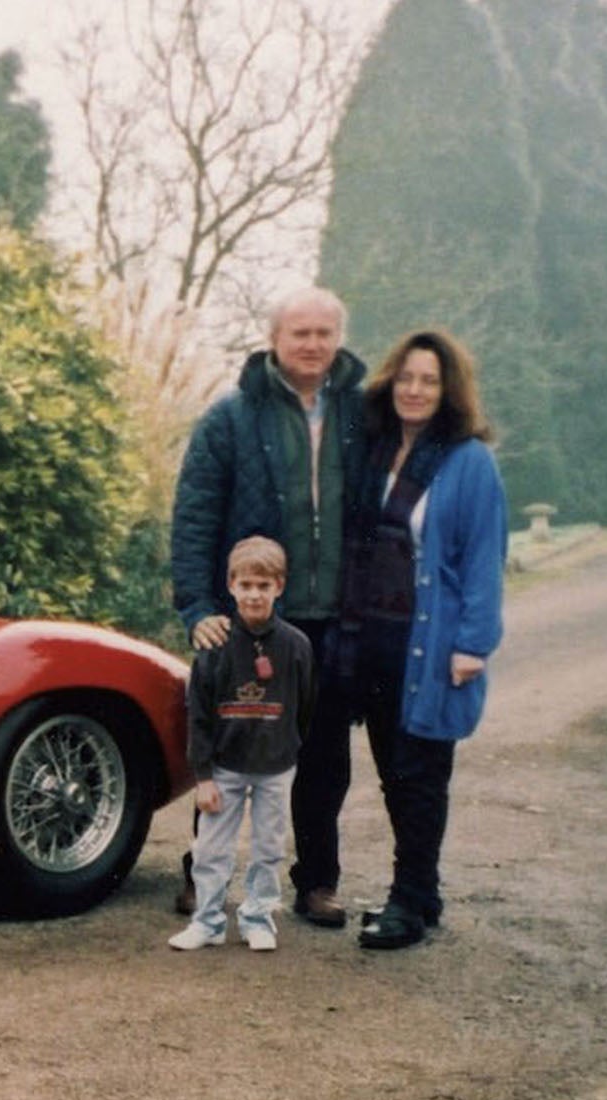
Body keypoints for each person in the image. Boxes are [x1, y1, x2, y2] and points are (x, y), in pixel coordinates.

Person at [170, 287, 366, 929]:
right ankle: (206, 876)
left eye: (324, 333)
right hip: (251, 618)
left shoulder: (362, 417)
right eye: (299, 333)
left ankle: (317, 883)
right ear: (274, 340)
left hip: (331, 620)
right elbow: (195, 518)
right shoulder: (231, 417)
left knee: (323, 757)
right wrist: (200, 605)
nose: (312, 345)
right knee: (232, 750)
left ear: (339, 338)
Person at [333, 329, 507, 950]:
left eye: (429, 380)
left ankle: (407, 902)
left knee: (420, 773)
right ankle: (422, 891)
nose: (414, 389)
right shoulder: (376, 450)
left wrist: (473, 645)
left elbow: (485, 558)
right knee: (392, 772)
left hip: (429, 643)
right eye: (406, 377)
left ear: (448, 390)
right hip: (371, 639)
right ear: (391, 381)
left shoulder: (469, 462)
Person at [170, 536, 316, 952]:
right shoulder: (213, 647)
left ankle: (258, 917)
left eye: (263, 586)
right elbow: (197, 715)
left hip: (275, 766)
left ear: (279, 588)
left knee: (269, 847)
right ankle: (208, 921)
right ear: (231, 585)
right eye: (246, 585)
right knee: (211, 849)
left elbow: (304, 707)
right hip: (225, 768)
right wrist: (203, 777)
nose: (254, 594)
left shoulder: (296, 646)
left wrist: (287, 748)